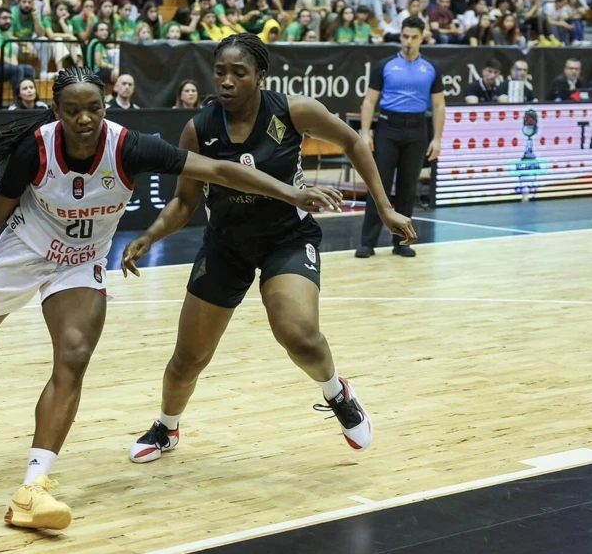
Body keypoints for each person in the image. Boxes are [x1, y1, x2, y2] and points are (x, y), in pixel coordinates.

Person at [0, 64, 343, 531]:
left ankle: (32, 488)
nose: (85, 119)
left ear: (105, 106)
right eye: (73, 111)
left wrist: (290, 192)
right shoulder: (36, 149)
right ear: (57, 112)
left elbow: (217, 169)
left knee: (73, 355)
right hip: (24, 249)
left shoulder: (128, 145)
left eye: (94, 108)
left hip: (80, 260)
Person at [123, 33, 414, 466]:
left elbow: (353, 141)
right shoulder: (199, 128)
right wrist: (150, 236)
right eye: (220, 72)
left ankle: (338, 393)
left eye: (238, 73)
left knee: (297, 334)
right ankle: (167, 426)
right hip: (225, 245)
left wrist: (385, 207)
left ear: (260, 76)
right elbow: (185, 202)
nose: (226, 81)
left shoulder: (293, 110)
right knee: (188, 358)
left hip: (287, 239)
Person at [356, 16, 443, 258]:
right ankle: (367, 242)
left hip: (417, 130)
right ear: (400, 36)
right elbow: (370, 101)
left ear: (422, 38)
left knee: (408, 187)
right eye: (405, 36)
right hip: (388, 128)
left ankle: (402, 242)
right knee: (379, 185)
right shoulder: (384, 65)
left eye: (414, 37)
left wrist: (437, 138)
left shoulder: (431, 69)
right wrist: (365, 133)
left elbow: (438, 106)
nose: (408, 41)